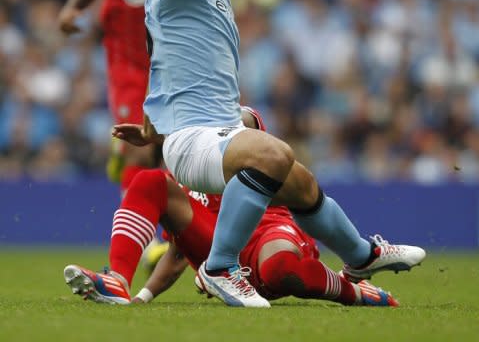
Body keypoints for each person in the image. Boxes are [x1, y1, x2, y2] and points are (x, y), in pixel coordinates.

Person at [133, 0, 425, 307]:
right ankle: (220, 267)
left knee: (303, 186)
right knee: (272, 154)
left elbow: (156, 45)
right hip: (196, 139)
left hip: (213, 130)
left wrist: (150, 120)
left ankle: (362, 256)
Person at [64, 107, 398, 308]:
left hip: (268, 231)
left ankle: (356, 291)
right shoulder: (184, 165)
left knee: (282, 269)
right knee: (149, 182)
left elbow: (247, 122)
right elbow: (179, 251)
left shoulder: (238, 120)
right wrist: (142, 297)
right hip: (217, 251)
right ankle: (117, 280)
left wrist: (171, 128)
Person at [57, 0, 172, 191]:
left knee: (168, 154)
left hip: (170, 68)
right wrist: (71, 9)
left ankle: (121, 154)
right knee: (142, 148)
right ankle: (139, 236)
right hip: (127, 67)